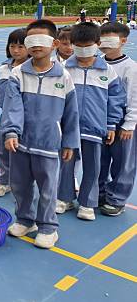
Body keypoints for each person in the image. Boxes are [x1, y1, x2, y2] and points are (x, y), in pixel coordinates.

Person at [1, 19, 80, 249]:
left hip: (48, 144)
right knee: (20, 185)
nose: (36, 46)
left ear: (54, 43)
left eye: (41, 40)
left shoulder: (63, 76)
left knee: (48, 188)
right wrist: (11, 132)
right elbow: (12, 107)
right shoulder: (18, 74)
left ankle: (47, 227)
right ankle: (25, 220)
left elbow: (71, 113)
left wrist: (69, 142)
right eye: (30, 41)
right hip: (21, 144)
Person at [57, 22, 125, 221]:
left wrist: (111, 124)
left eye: (88, 45)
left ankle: (87, 203)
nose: (83, 50)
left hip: (95, 129)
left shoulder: (107, 71)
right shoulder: (64, 69)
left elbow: (116, 100)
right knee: (66, 165)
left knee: (93, 168)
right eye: (78, 45)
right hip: (69, 128)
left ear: (97, 44)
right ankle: (65, 198)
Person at [98, 22, 137, 216]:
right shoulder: (97, 63)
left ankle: (117, 198)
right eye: (101, 39)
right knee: (100, 159)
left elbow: (134, 97)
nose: (104, 43)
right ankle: (99, 192)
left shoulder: (130, 68)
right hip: (99, 121)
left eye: (110, 39)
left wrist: (129, 124)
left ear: (123, 41)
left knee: (123, 163)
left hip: (123, 123)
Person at [0, 28, 29, 197]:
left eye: (21, 47)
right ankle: (4, 181)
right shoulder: (3, 68)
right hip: (6, 118)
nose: (16, 50)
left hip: (26, 119)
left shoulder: (31, 69)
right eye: (13, 46)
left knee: (23, 153)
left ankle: (23, 183)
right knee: (3, 151)